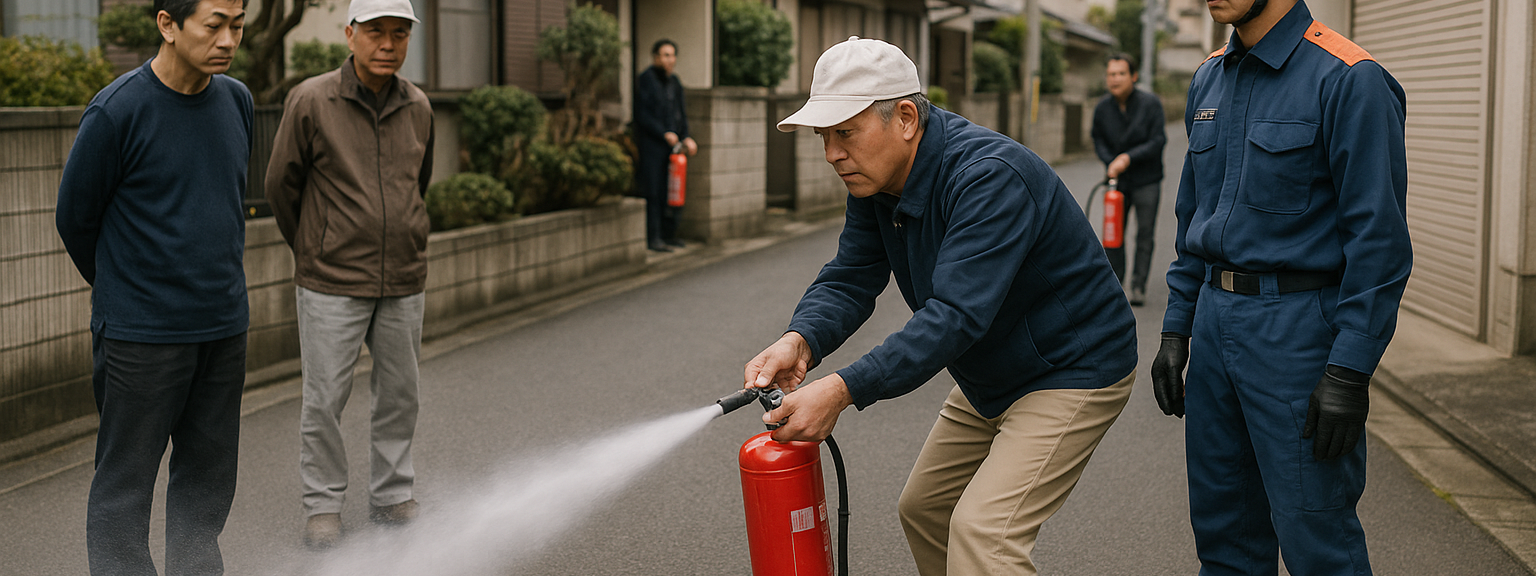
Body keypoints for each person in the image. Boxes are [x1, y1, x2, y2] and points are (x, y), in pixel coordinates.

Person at [743, 37, 1137, 576]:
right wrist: (800, 339)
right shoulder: (876, 181)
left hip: (1072, 367)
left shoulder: (989, 176)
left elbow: (954, 316)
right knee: (926, 510)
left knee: (984, 534)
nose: (832, 152)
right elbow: (852, 275)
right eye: (824, 137)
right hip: (992, 370)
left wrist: (841, 390)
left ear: (905, 117)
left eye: (845, 132)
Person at [1150, 0, 1410, 574]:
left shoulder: (1349, 78)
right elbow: (1192, 222)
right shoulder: (1208, 78)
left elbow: (1380, 242)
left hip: (1295, 333)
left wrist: (1349, 368)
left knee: (1319, 541)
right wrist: (1176, 329)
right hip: (1215, 327)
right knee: (1224, 538)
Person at [54, 0, 252, 573]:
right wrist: (128, 286)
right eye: (214, 24)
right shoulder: (118, 111)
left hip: (222, 327)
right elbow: (75, 219)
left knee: (207, 483)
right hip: (141, 337)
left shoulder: (236, 100)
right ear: (168, 24)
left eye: (237, 26)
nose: (228, 39)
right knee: (125, 485)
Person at [264, 0, 435, 550]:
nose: (388, 44)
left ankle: (391, 494)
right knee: (324, 399)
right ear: (350, 34)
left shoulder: (420, 106)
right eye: (376, 32)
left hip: (403, 276)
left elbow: (418, 184)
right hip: (331, 278)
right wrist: (315, 246)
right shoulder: (312, 99)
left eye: (399, 34)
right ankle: (323, 507)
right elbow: (280, 185)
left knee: (400, 395)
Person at [1090, 52, 1166, 306]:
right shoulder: (1102, 108)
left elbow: (1157, 141)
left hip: (1147, 179)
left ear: (1133, 76)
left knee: (1144, 233)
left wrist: (1127, 158)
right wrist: (1110, 161)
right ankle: (1114, 284)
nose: (1115, 79)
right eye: (1111, 74)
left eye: (1121, 74)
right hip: (1117, 182)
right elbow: (1097, 139)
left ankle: (1138, 285)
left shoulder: (1150, 104)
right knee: (1113, 234)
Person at [632, 38, 697, 252]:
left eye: (672, 55)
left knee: (673, 192)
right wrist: (663, 133)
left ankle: (669, 235)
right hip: (652, 146)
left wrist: (686, 136)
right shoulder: (646, 80)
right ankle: (654, 237)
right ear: (656, 57)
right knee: (654, 191)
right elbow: (642, 114)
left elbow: (681, 113)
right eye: (665, 55)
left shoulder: (674, 82)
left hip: (673, 146)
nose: (669, 60)